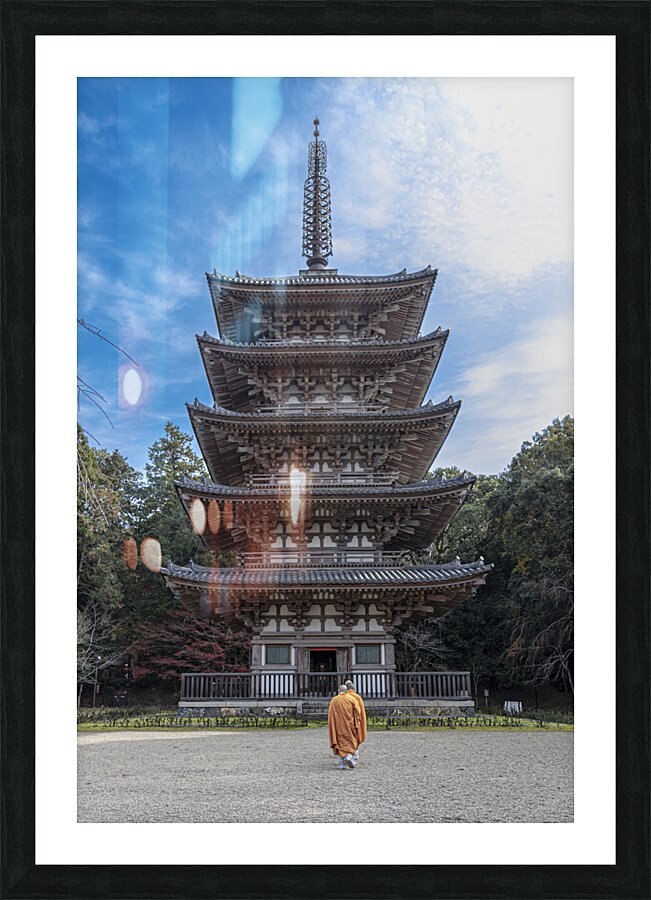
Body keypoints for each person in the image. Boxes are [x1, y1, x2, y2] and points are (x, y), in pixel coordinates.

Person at [327, 684, 361, 769]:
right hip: (350, 725)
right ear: (346, 691)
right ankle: (349, 757)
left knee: (339, 742)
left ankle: (342, 763)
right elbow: (358, 713)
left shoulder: (334, 700)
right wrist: (356, 723)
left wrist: (332, 725)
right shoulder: (352, 699)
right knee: (350, 741)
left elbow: (330, 715)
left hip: (338, 726)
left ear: (338, 691)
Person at [345, 679, 367, 761]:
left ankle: (348, 754)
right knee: (356, 736)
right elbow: (361, 711)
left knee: (347, 738)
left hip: (347, 721)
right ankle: (355, 752)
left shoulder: (344, 698)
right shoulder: (358, 697)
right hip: (356, 720)